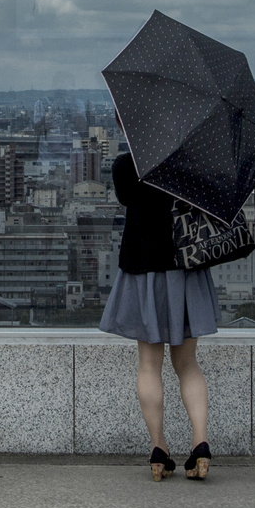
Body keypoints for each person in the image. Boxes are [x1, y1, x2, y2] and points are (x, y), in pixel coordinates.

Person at [99, 149, 220, 481]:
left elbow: (128, 198)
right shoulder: (191, 161)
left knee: (149, 365)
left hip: (144, 269)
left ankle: (158, 450)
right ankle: (200, 445)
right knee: (188, 364)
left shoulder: (127, 164)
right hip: (186, 266)